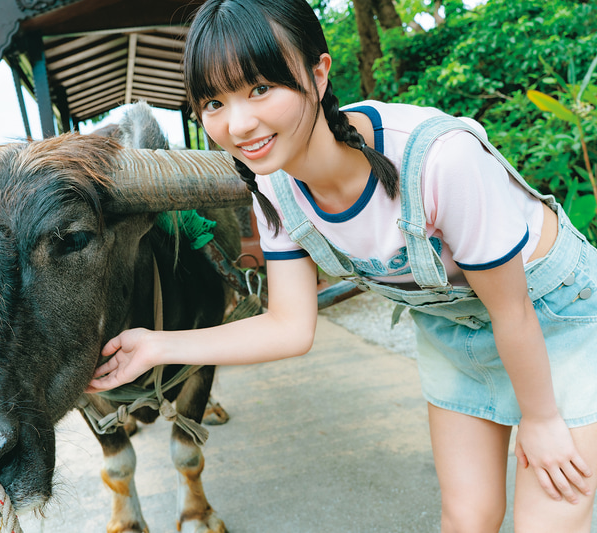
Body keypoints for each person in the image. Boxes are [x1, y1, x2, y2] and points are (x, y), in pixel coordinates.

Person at [86, 0, 597, 530]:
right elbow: (290, 325)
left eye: (261, 88)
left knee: (550, 518)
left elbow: (512, 311)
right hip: (454, 327)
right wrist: (156, 345)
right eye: (213, 101)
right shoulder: (274, 183)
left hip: (554, 316)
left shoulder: (441, 159)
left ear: (319, 72)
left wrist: (541, 419)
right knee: (467, 517)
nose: (239, 124)